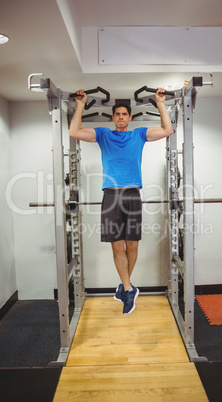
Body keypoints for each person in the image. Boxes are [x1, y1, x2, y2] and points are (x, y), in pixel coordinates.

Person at [69, 88, 173, 314]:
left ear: (130, 118)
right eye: (118, 114)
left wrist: (160, 102)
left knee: (132, 244)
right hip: (111, 195)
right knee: (117, 246)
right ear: (113, 117)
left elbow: (168, 129)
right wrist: (80, 104)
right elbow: (74, 131)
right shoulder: (104, 134)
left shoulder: (139, 134)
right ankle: (128, 288)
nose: (121, 117)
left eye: (125, 114)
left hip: (133, 194)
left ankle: (125, 288)